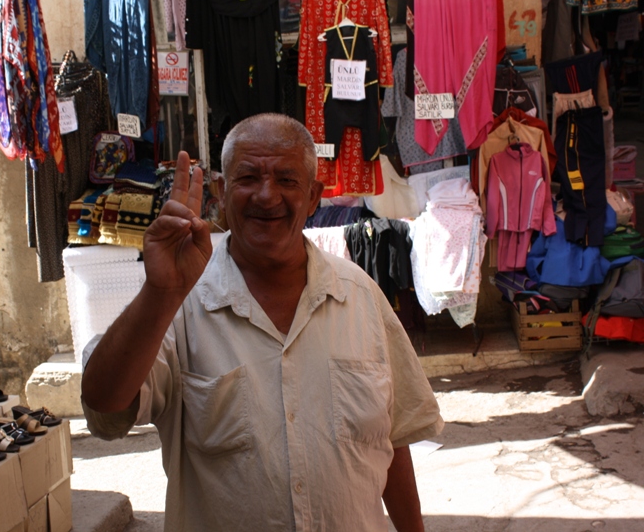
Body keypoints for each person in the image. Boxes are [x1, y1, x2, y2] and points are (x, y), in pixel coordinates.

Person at [82, 113, 444, 531]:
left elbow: (392, 441)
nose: (267, 195)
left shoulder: (360, 297)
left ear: (313, 197)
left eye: (287, 180)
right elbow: (104, 406)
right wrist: (160, 293)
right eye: (248, 177)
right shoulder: (177, 306)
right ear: (222, 189)